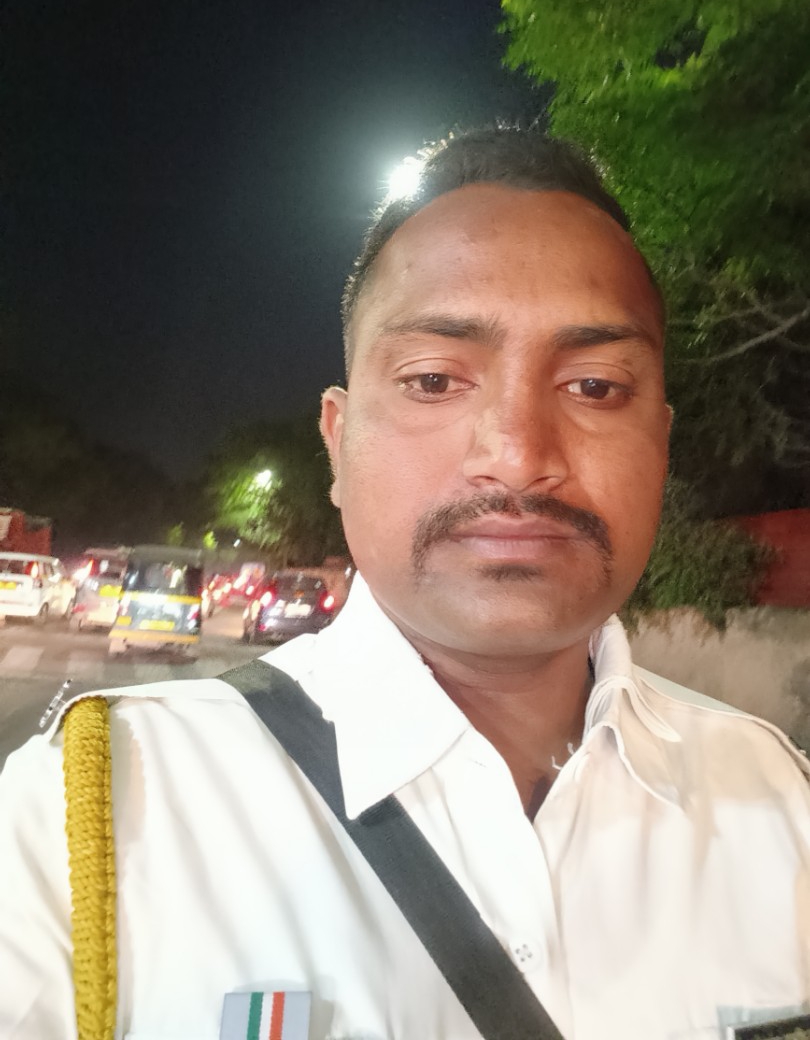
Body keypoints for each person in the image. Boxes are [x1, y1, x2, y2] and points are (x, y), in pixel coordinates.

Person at [1, 125, 809, 1040]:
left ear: (660, 445)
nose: (518, 454)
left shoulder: (779, 803)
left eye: (593, 387)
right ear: (337, 441)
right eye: (433, 380)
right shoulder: (89, 821)